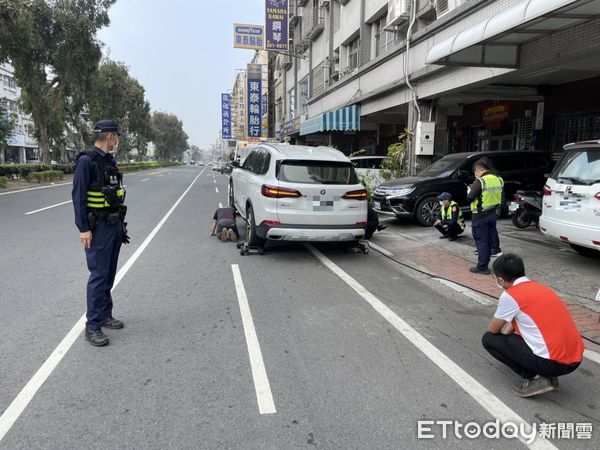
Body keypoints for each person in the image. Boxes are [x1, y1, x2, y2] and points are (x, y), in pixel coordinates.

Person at [482, 254, 583, 398]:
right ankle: (549, 375)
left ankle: (536, 378)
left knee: (489, 339)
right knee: (508, 338)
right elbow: (517, 319)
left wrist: (503, 344)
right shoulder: (541, 288)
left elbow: (493, 329)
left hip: (554, 363)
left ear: (500, 279)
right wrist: (506, 341)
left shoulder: (510, 295)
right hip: (575, 358)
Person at [72, 120, 130, 347]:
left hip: (114, 225)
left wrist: (120, 224)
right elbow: (78, 198)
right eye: (116, 136)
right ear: (109, 136)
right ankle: (92, 326)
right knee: (98, 276)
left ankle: (105, 314)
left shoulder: (109, 161)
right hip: (98, 228)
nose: (117, 140)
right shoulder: (87, 161)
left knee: (108, 274)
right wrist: (83, 228)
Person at [466, 157, 504, 275]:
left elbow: (470, 198)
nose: (475, 174)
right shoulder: (499, 179)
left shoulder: (480, 181)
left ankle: (482, 267)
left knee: (481, 241)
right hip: (492, 213)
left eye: (475, 172)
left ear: (478, 170)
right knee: (488, 238)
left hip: (480, 215)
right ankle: (491, 255)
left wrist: (470, 190)